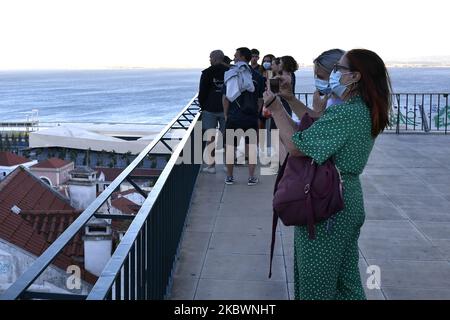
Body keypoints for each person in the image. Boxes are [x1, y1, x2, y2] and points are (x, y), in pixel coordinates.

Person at [264, 49, 392, 300]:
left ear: (354, 77)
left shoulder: (346, 112)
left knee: (316, 288)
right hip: (346, 200)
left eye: (339, 69)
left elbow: (296, 146)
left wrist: (275, 108)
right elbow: (314, 128)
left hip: (328, 205)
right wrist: (288, 99)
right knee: (346, 286)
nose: (334, 74)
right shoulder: (359, 109)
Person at [223, 47, 264, 186]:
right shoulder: (257, 76)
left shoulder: (230, 74)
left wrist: (226, 114)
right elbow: (260, 99)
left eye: (236, 55)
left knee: (230, 147)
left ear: (241, 57)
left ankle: (229, 177)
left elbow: (226, 98)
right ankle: (251, 177)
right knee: (251, 147)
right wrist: (257, 114)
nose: (234, 57)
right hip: (250, 117)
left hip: (233, 116)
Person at [198, 50, 229, 173]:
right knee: (228, 137)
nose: (209, 60)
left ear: (215, 58)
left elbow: (202, 92)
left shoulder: (206, 73)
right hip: (227, 108)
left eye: (210, 57)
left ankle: (211, 166)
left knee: (210, 137)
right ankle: (228, 165)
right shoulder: (230, 72)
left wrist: (203, 106)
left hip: (209, 109)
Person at [312, 49, 346, 113]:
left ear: (337, 75)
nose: (317, 80)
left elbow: (322, 122)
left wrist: (318, 111)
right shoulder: (332, 99)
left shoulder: (346, 106)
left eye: (320, 77)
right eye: (316, 76)